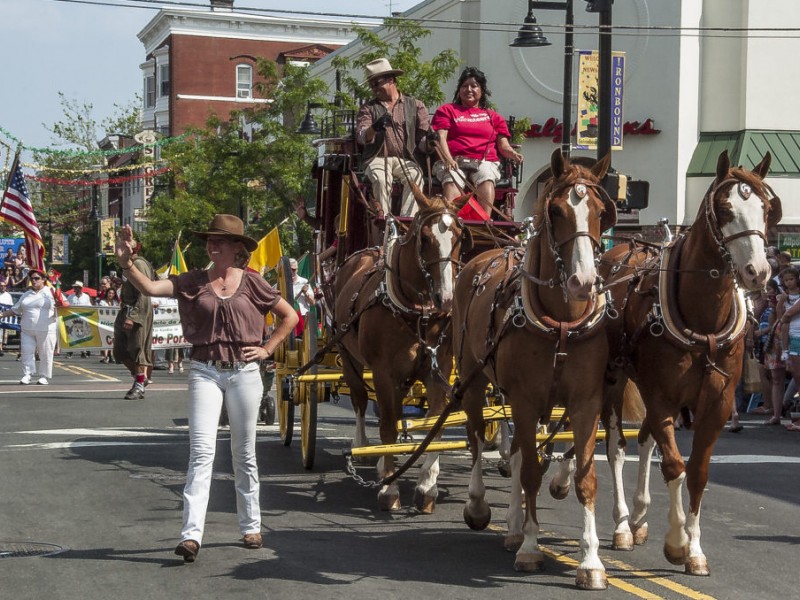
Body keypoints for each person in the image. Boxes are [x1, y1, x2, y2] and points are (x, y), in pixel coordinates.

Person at [115, 214, 297, 563]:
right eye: (209, 240)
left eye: (221, 241)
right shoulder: (191, 281)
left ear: (237, 249)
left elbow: (289, 316)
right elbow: (151, 289)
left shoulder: (255, 283)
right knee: (201, 453)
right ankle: (190, 535)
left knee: (244, 453)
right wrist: (126, 263)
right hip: (204, 371)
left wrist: (268, 348)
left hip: (245, 372)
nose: (212, 245)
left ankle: (251, 525)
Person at [430, 66, 524, 218]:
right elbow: (441, 138)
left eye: (474, 86)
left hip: (484, 161)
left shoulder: (493, 117)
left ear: (482, 90)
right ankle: (452, 221)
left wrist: (513, 154)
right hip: (453, 159)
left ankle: (483, 223)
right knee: (453, 177)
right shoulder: (447, 110)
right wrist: (447, 158)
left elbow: (503, 145)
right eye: (464, 86)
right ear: (459, 89)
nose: (469, 89)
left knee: (486, 176)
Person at [355, 58, 431, 217]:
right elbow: (362, 137)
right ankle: (385, 222)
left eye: (377, 84)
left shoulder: (416, 105)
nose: (374, 89)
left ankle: (406, 222)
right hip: (377, 158)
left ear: (391, 80)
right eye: (372, 85)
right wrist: (374, 128)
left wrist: (431, 141)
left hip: (406, 158)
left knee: (416, 176)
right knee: (381, 179)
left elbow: (422, 140)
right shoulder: (368, 109)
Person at [0, 269, 60, 385]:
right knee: (27, 352)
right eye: (32, 278)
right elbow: (15, 309)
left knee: (45, 353)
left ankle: (44, 375)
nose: (34, 280)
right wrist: (1, 314)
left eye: (37, 278)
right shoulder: (27, 294)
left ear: (43, 280)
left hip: (46, 329)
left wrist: (59, 304)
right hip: (27, 329)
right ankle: (27, 374)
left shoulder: (51, 292)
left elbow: (65, 305)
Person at [114, 238, 155, 400]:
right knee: (119, 351)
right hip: (125, 310)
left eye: (126, 246)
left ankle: (139, 386)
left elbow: (144, 291)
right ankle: (140, 378)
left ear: (134, 249)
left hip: (138, 312)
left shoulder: (139, 264)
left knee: (138, 349)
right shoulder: (128, 266)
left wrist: (134, 317)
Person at [290, 257, 315, 337]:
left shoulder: (304, 282)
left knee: (305, 342)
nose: (293, 272)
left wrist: (305, 293)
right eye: (291, 269)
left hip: (303, 317)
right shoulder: (283, 283)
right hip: (289, 317)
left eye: (295, 269)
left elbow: (312, 302)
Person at [97, 287, 119, 363]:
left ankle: (111, 355)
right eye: (110, 293)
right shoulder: (102, 302)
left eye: (112, 293)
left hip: (113, 323)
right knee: (105, 339)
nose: (111, 295)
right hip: (104, 322)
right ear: (107, 294)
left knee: (112, 339)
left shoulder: (116, 302)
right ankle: (105, 356)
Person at [0, 279, 13, 356]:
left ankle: (3, 345)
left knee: (5, 332)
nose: (2, 287)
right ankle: (0, 348)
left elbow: (11, 306)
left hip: (6, 317)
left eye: (3, 286)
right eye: (1, 286)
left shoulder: (8, 295)